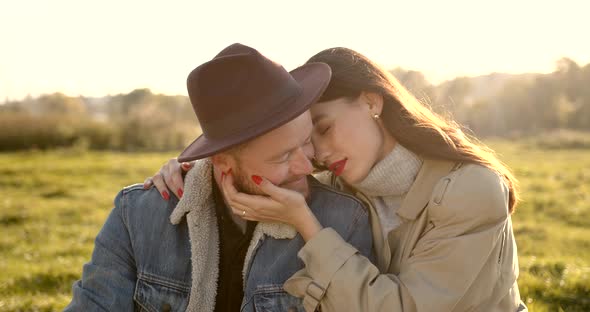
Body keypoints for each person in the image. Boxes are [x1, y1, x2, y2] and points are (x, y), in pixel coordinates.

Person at [147, 47, 528, 311]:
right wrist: (201, 169)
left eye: (324, 128)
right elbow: (254, 157)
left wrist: (308, 226)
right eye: (306, 140)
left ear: (372, 101)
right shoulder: (340, 184)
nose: (318, 154)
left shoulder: (471, 189)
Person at [65, 43, 373, 312]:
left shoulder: (343, 221)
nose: (306, 167)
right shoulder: (138, 216)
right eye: (281, 157)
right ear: (222, 162)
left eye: (306, 141)